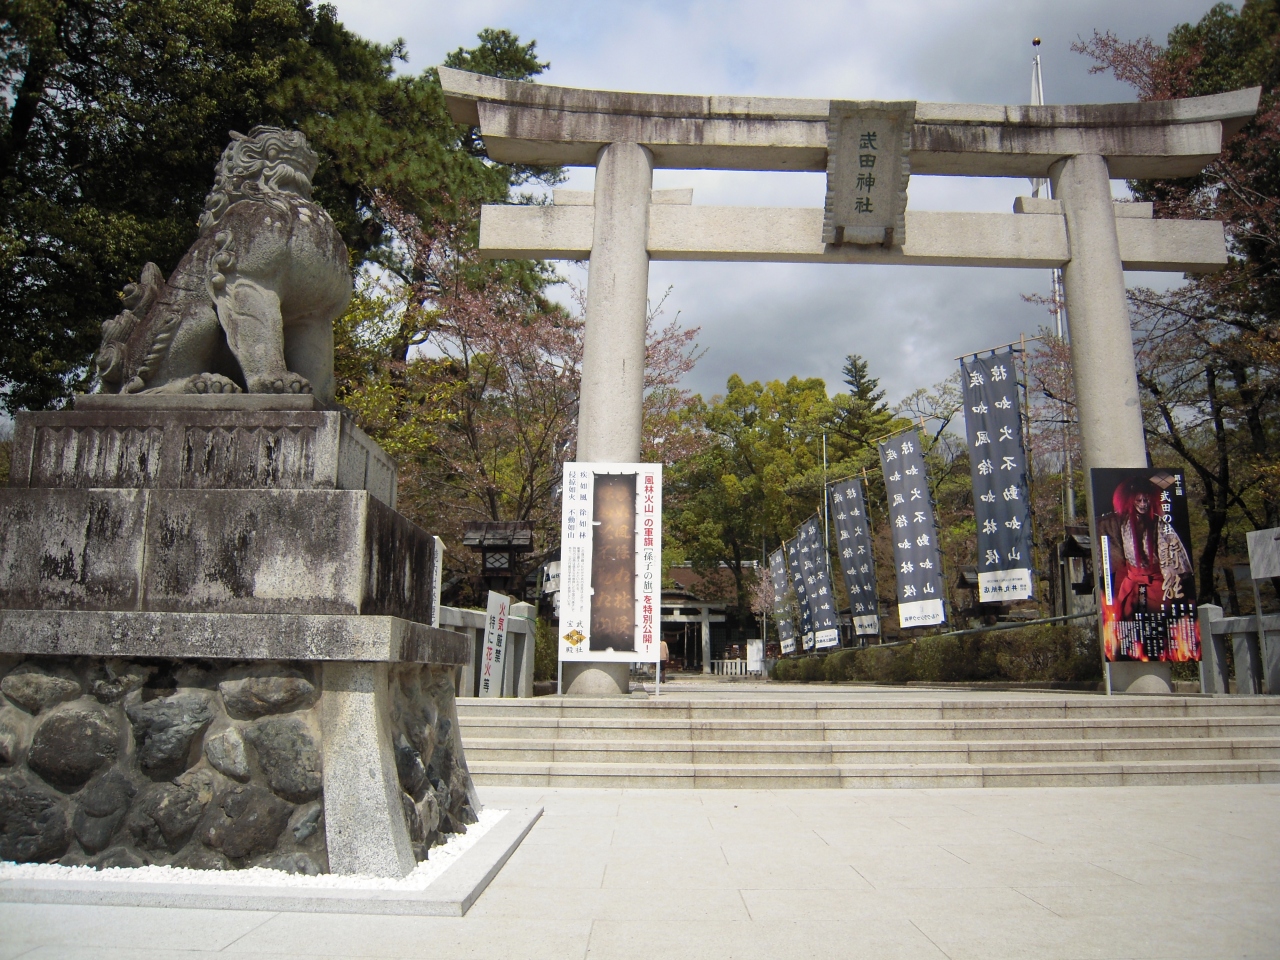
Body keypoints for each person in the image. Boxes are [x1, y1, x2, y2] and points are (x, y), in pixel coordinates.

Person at [1096, 476, 1192, 621]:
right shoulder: (1121, 522)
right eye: (1139, 500)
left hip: (1157, 585)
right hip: (1131, 584)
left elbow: (1173, 557)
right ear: (1130, 500)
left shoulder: (1160, 523)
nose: (1143, 504)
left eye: (1146, 500)